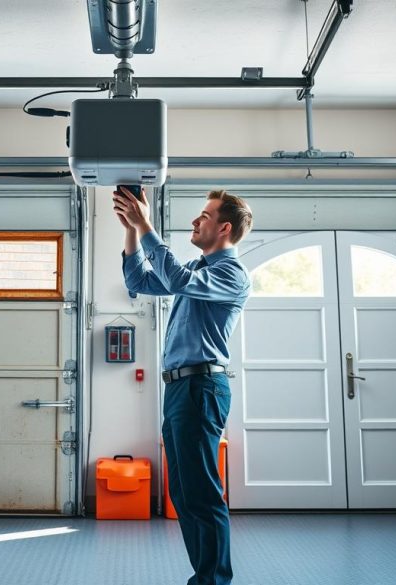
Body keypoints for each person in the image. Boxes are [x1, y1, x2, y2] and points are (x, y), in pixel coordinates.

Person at [113, 186, 253, 585]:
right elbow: (138, 278)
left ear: (224, 228)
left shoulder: (232, 274)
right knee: (185, 493)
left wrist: (145, 225)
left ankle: (213, 581)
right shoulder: (199, 270)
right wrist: (130, 229)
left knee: (202, 494)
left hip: (201, 388)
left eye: (204, 216)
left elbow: (172, 277)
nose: (195, 221)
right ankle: (205, 577)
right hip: (180, 390)